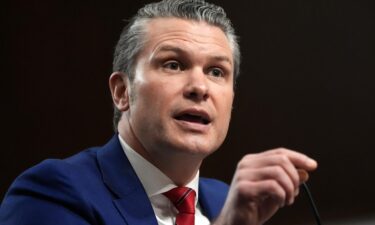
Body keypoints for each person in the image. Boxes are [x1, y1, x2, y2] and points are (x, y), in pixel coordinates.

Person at [0, 0, 317, 224]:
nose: (199, 87)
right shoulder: (53, 192)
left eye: (217, 71)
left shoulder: (227, 200)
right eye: (173, 64)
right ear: (123, 92)